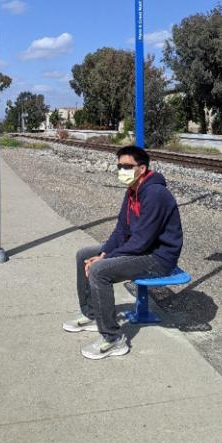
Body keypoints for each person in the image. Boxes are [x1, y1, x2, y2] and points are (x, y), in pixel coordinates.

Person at [62, 145, 183, 359]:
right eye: (119, 166)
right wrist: (105, 251)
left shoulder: (155, 194)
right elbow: (121, 231)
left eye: (127, 166)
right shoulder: (132, 191)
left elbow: (141, 241)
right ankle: (93, 315)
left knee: (99, 271)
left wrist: (105, 257)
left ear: (142, 168)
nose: (122, 170)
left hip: (159, 258)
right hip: (142, 250)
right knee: (84, 254)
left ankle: (113, 339)